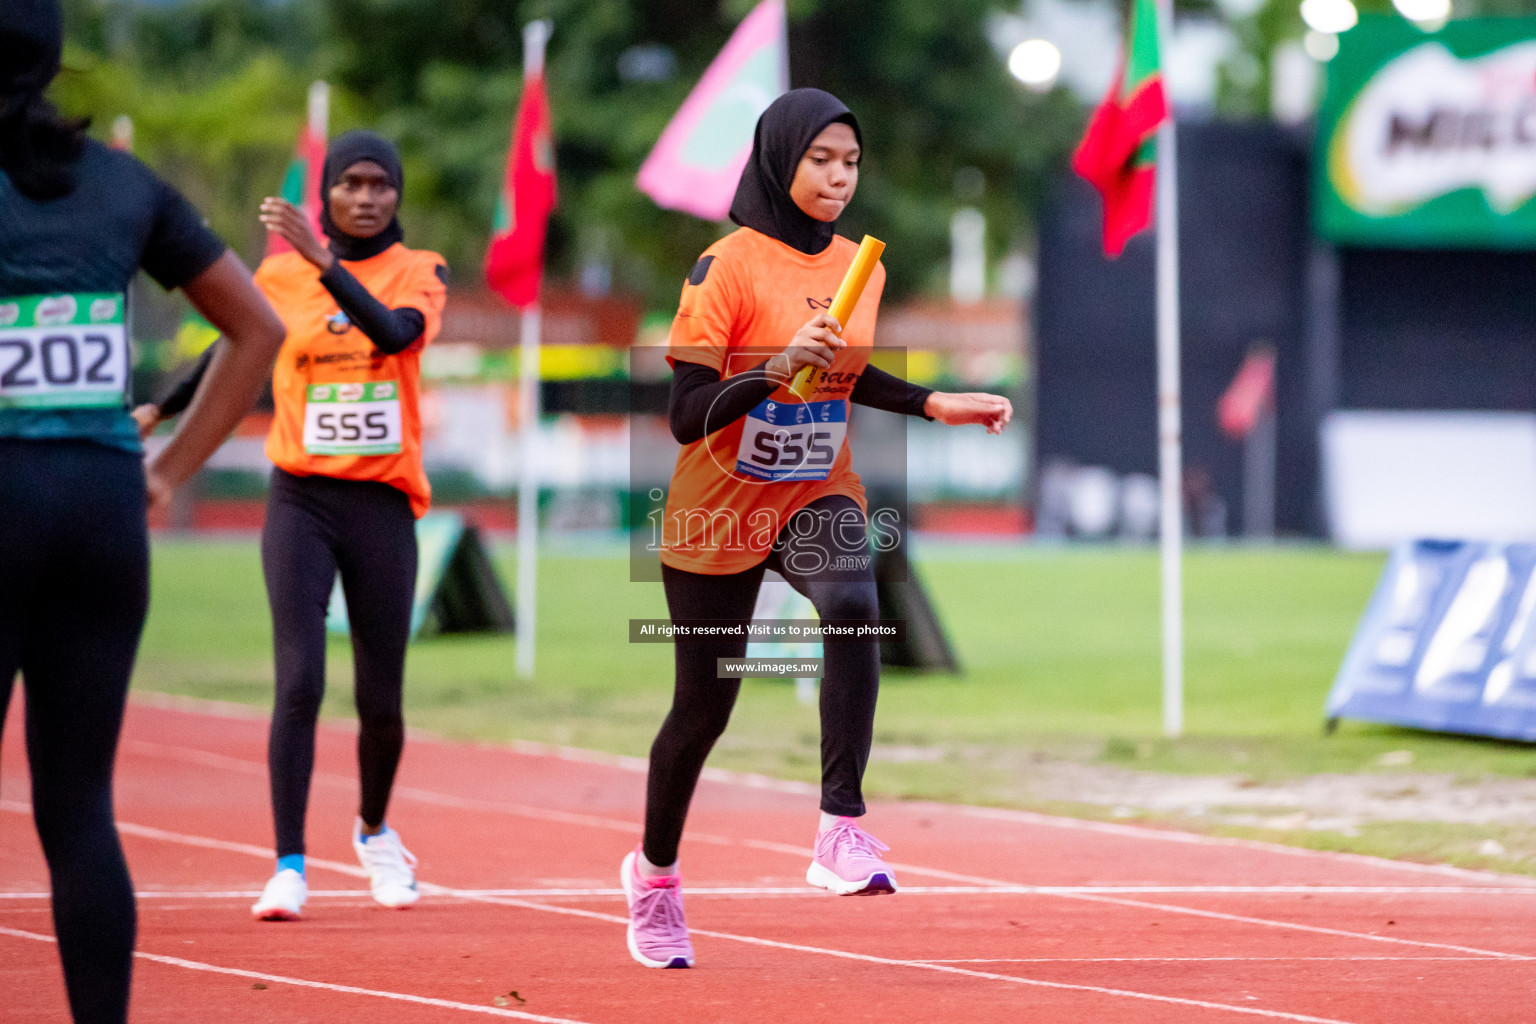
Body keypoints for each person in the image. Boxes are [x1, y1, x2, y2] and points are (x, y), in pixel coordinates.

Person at [623, 89, 1012, 969]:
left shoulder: (859, 267)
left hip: (813, 490)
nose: (839, 178)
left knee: (849, 597)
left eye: (852, 162)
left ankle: (841, 827)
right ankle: (653, 879)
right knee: (700, 713)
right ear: (779, 160)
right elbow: (685, 413)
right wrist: (773, 368)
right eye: (821, 161)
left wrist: (930, 401)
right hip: (716, 507)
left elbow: (849, 371)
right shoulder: (723, 267)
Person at [0, 2, 287, 1021]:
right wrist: (165, 470)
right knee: (78, 808)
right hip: (98, 510)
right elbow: (257, 329)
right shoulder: (121, 184)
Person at [241, 131, 447, 921]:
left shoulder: (419, 270)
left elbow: (395, 335)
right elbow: (239, 344)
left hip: (383, 505)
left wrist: (324, 264)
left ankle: (373, 832)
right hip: (300, 498)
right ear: (325, 194)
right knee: (299, 683)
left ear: (396, 194)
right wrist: (164, 402)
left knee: (380, 699)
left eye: (380, 185)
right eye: (350, 185)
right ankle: (288, 864)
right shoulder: (276, 275)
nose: (366, 198)